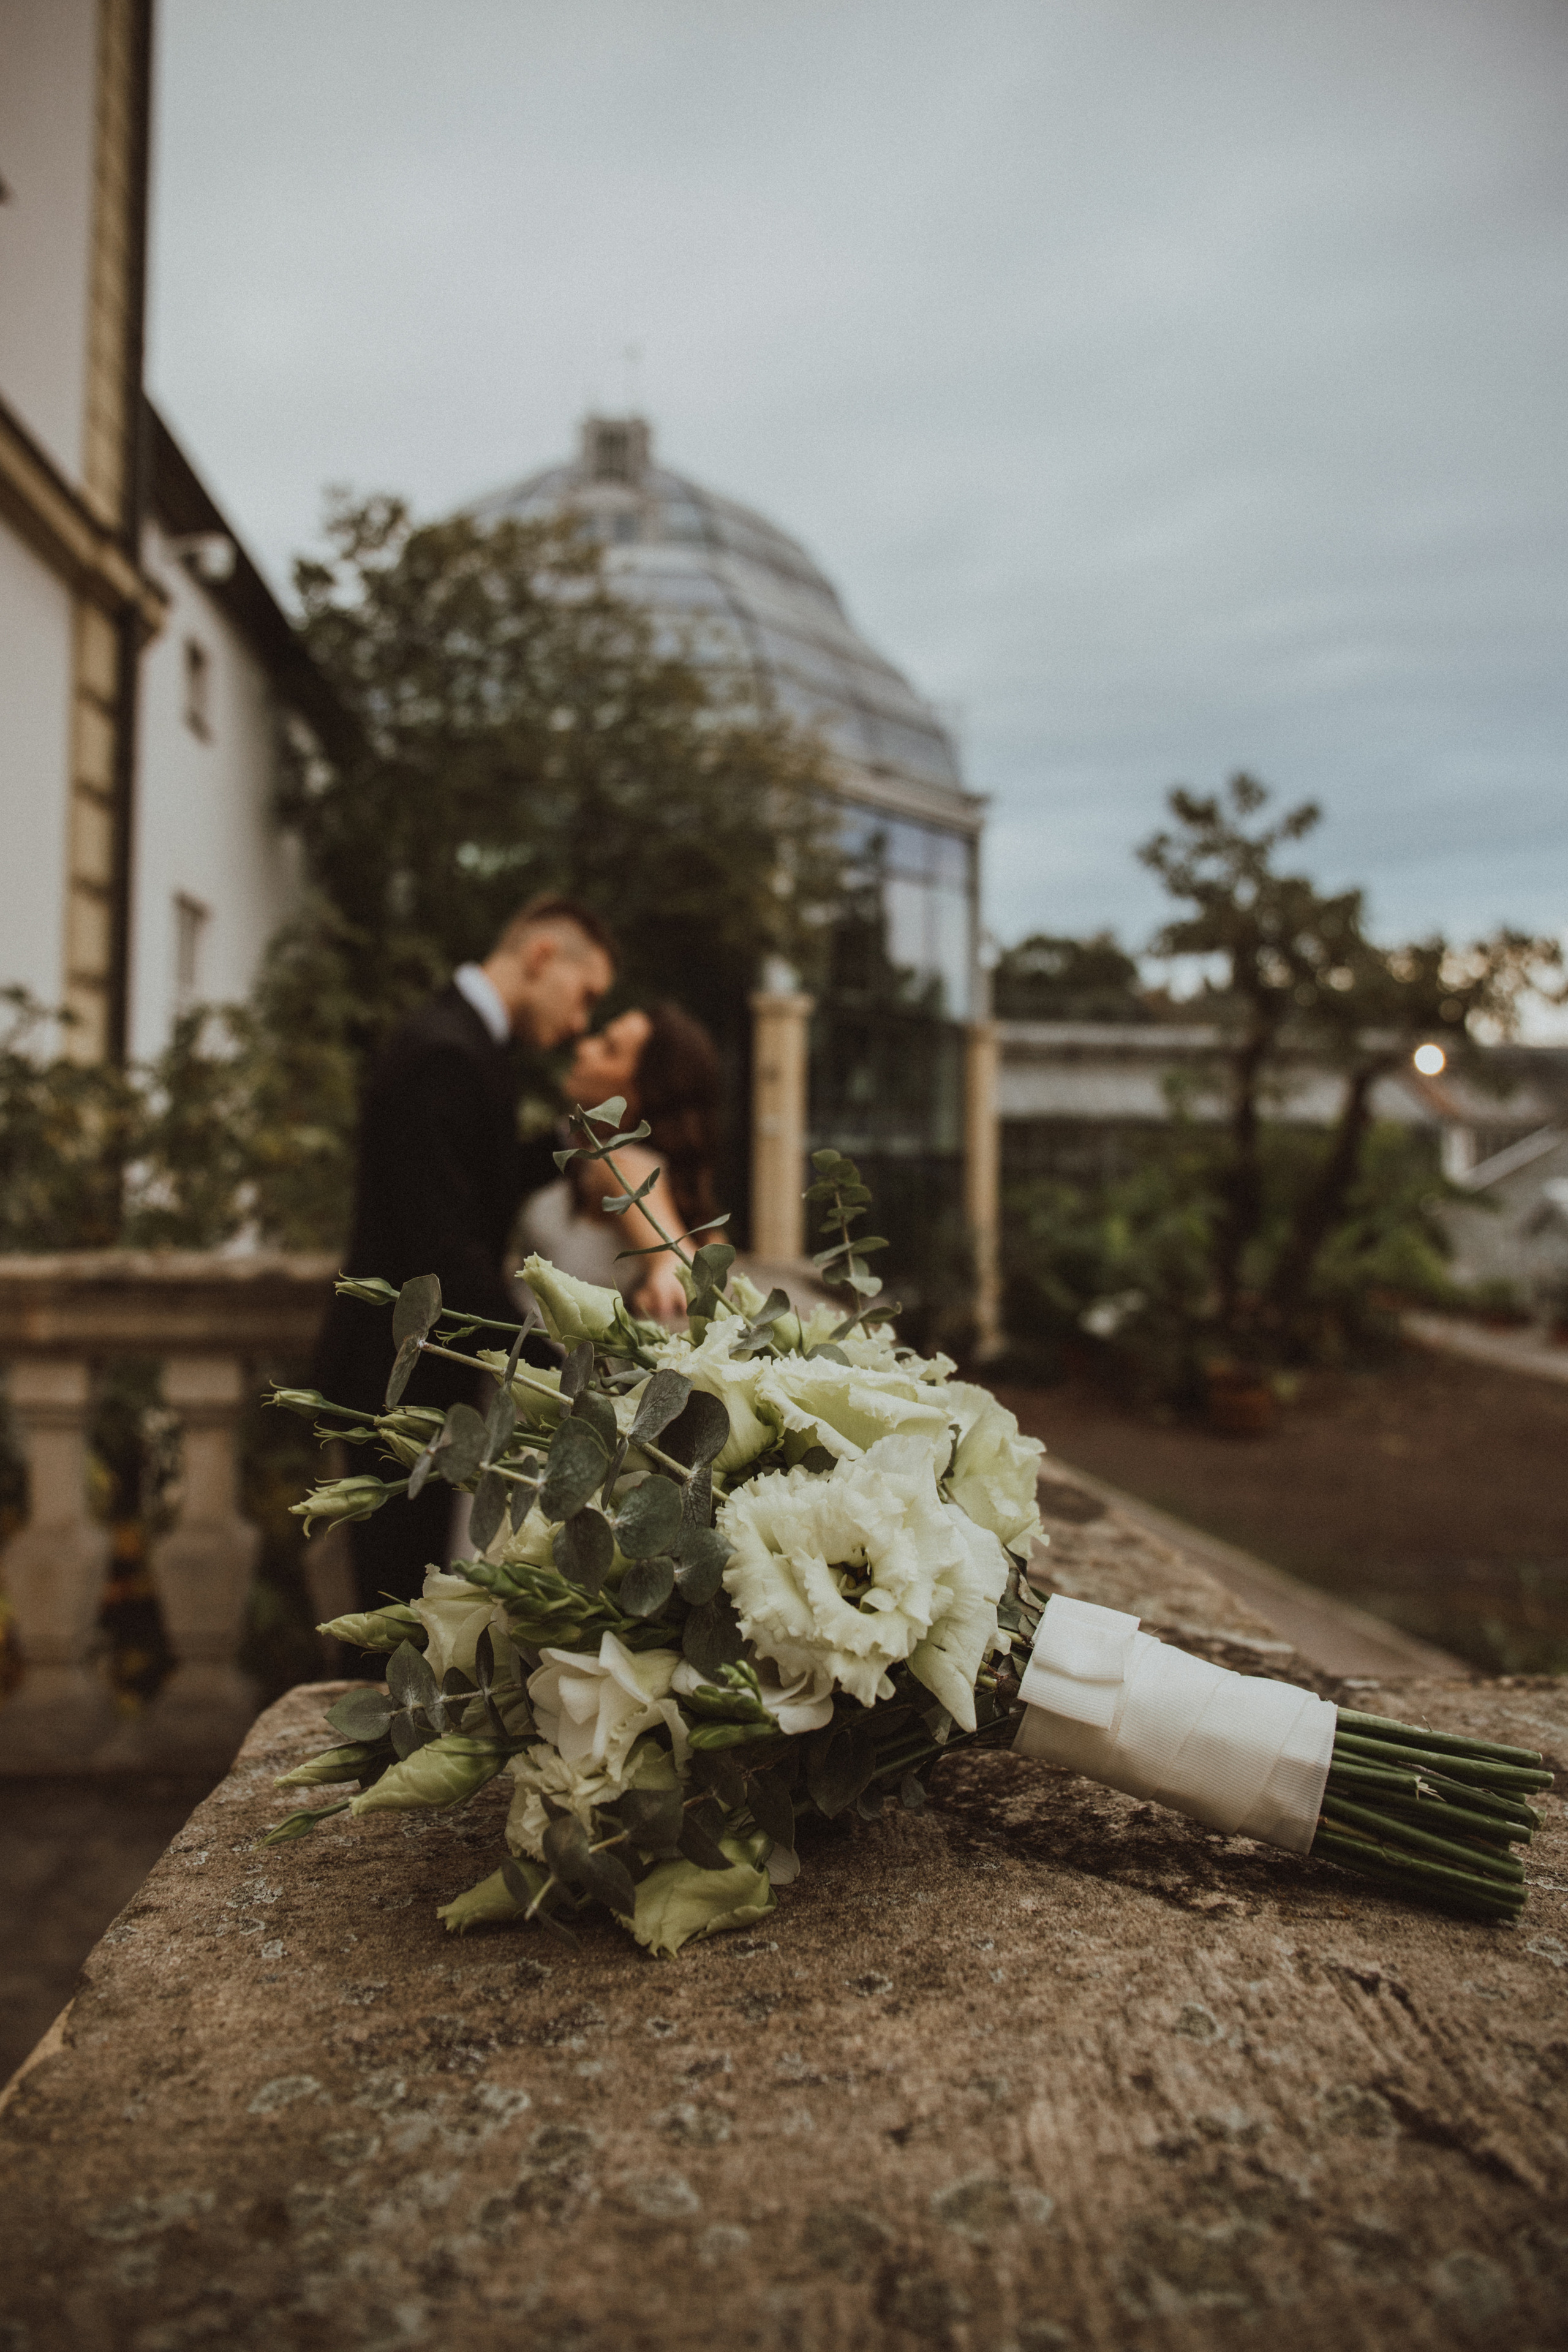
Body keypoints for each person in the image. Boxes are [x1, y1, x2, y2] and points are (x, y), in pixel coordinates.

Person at [313, 895, 614, 1609]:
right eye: (586, 995)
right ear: (542, 957)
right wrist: (553, 1365)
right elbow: (443, 1247)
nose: (581, 1023)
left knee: (410, 1594)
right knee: (395, 1607)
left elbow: (470, 1184)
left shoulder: (464, 1042)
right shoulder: (444, 1050)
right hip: (394, 1378)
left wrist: (572, 1144)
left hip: (414, 1368)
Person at [519, 1000, 722, 1324]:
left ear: (644, 1092)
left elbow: (673, 1258)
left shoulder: (619, 1163)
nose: (585, 1047)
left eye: (609, 1050)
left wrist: (669, 1269)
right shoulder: (573, 1150)